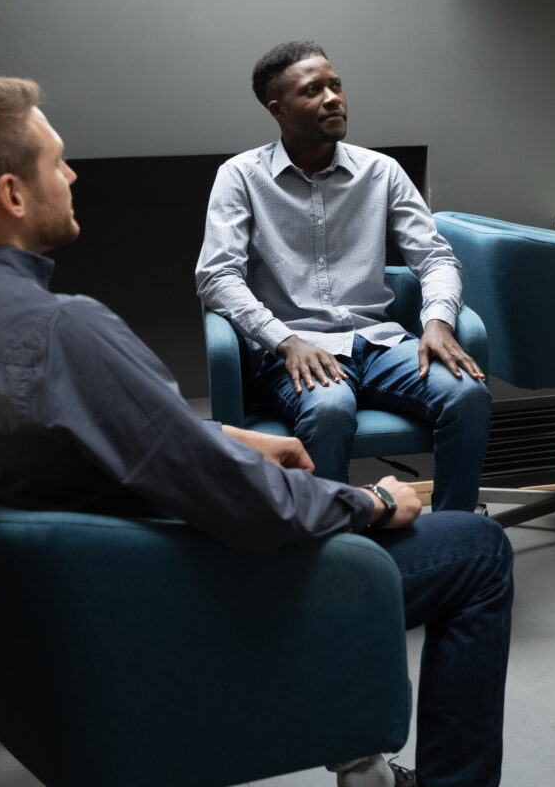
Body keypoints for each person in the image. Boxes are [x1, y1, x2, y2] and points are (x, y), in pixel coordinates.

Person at [0, 77, 513, 787]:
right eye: (57, 161)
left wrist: (228, 437)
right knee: (479, 549)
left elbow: (83, 442)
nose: (72, 173)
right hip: (177, 598)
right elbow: (251, 507)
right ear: (12, 195)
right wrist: (370, 504)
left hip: (64, 621)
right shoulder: (63, 330)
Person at [195, 41, 492, 513]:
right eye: (313, 90)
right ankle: (337, 549)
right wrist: (284, 340)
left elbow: (435, 258)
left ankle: (455, 535)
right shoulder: (241, 176)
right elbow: (216, 277)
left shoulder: (381, 171)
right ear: (278, 109)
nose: (333, 97)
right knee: (330, 408)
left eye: (336, 85)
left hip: (378, 344)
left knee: (466, 393)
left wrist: (437, 321)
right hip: (294, 350)